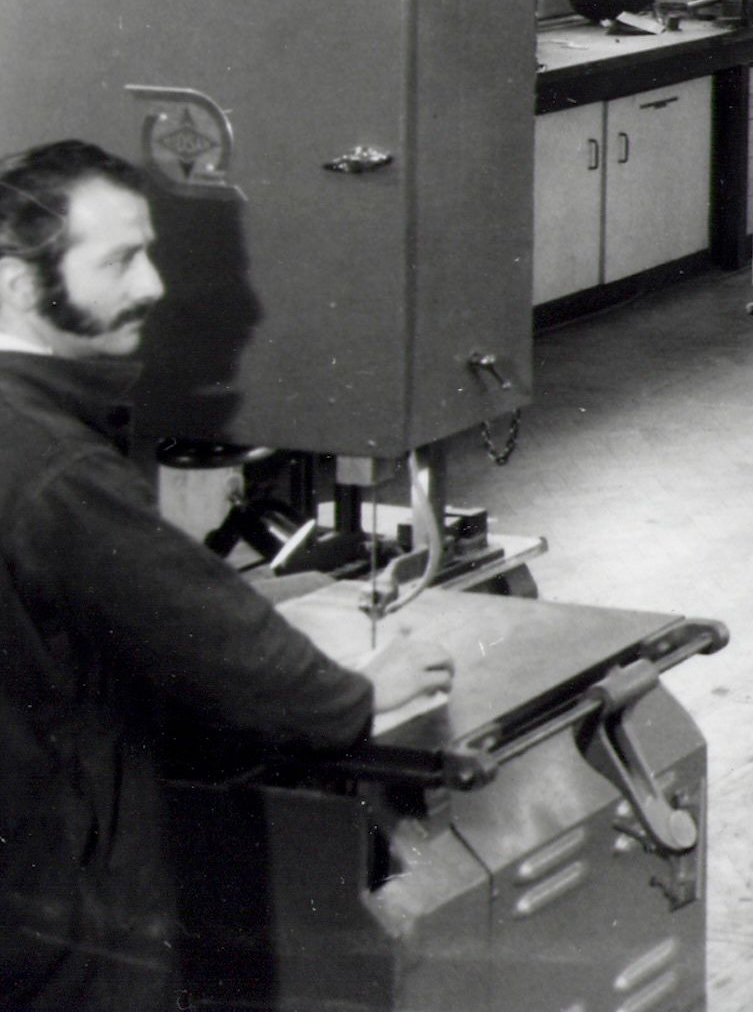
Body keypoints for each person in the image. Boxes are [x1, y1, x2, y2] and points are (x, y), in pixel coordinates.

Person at [0, 140, 456, 1012]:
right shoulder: (56, 465)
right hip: (57, 898)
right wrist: (355, 694)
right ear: (20, 283)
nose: (154, 286)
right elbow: (207, 634)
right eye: (122, 259)